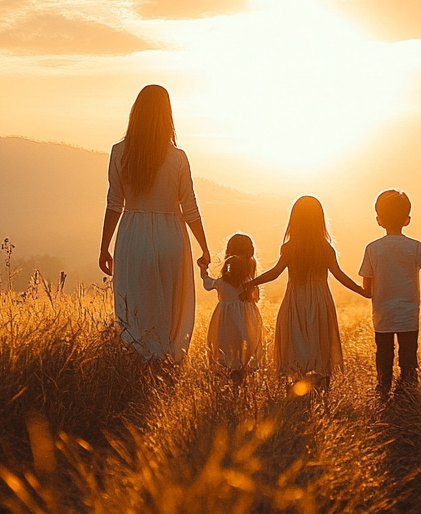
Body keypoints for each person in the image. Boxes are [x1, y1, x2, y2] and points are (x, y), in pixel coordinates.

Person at [99, 85, 212, 362]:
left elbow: (114, 203)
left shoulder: (119, 152)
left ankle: (139, 361)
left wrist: (104, 247)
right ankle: (166, 362)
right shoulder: (177, 158)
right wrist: (204, 247)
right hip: (170, 236)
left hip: (132, 236)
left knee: (136, 302)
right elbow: (190, 208)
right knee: (170, 306)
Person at [244, 196, 367, 388]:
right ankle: (321, 386)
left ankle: (295, 386)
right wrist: (362, 290)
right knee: (319, 341)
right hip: (320, 301)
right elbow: (339, 275)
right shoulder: (325, 248)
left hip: (295, 300)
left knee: (296, 341)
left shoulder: (289, 248)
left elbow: (275, 273)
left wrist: (251, 283)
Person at [358, 189, 421, 401]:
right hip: (408, 314)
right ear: (407, 219)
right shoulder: (414, 246)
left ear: (378, 220)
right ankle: (408, 395)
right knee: (408, 358)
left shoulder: (372, 249)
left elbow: (367, 289)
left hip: (383, 316)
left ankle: (383, 391)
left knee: (384, 356)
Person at [200, 233, 263, 377]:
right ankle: (242, 374)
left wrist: (203, 270)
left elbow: (207, 283)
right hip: (247, 321)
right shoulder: (249, 283)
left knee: (225, 347)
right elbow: (256, 298)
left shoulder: (222, 283)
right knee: (245, 346)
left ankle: (227, 374)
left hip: (225, 321)